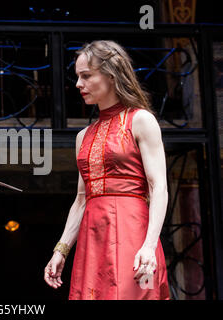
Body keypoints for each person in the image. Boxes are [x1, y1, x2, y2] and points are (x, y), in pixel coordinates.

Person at [44, 40, 170, 300]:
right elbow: (81, 200)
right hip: (93, 239)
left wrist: (148, 246)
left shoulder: (141, 120)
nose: (78, 84)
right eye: (78, 77)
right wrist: (61, 250)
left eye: (86, 76)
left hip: (133, 234)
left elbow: (159, 187)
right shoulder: (83, 136)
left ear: (111, 75)